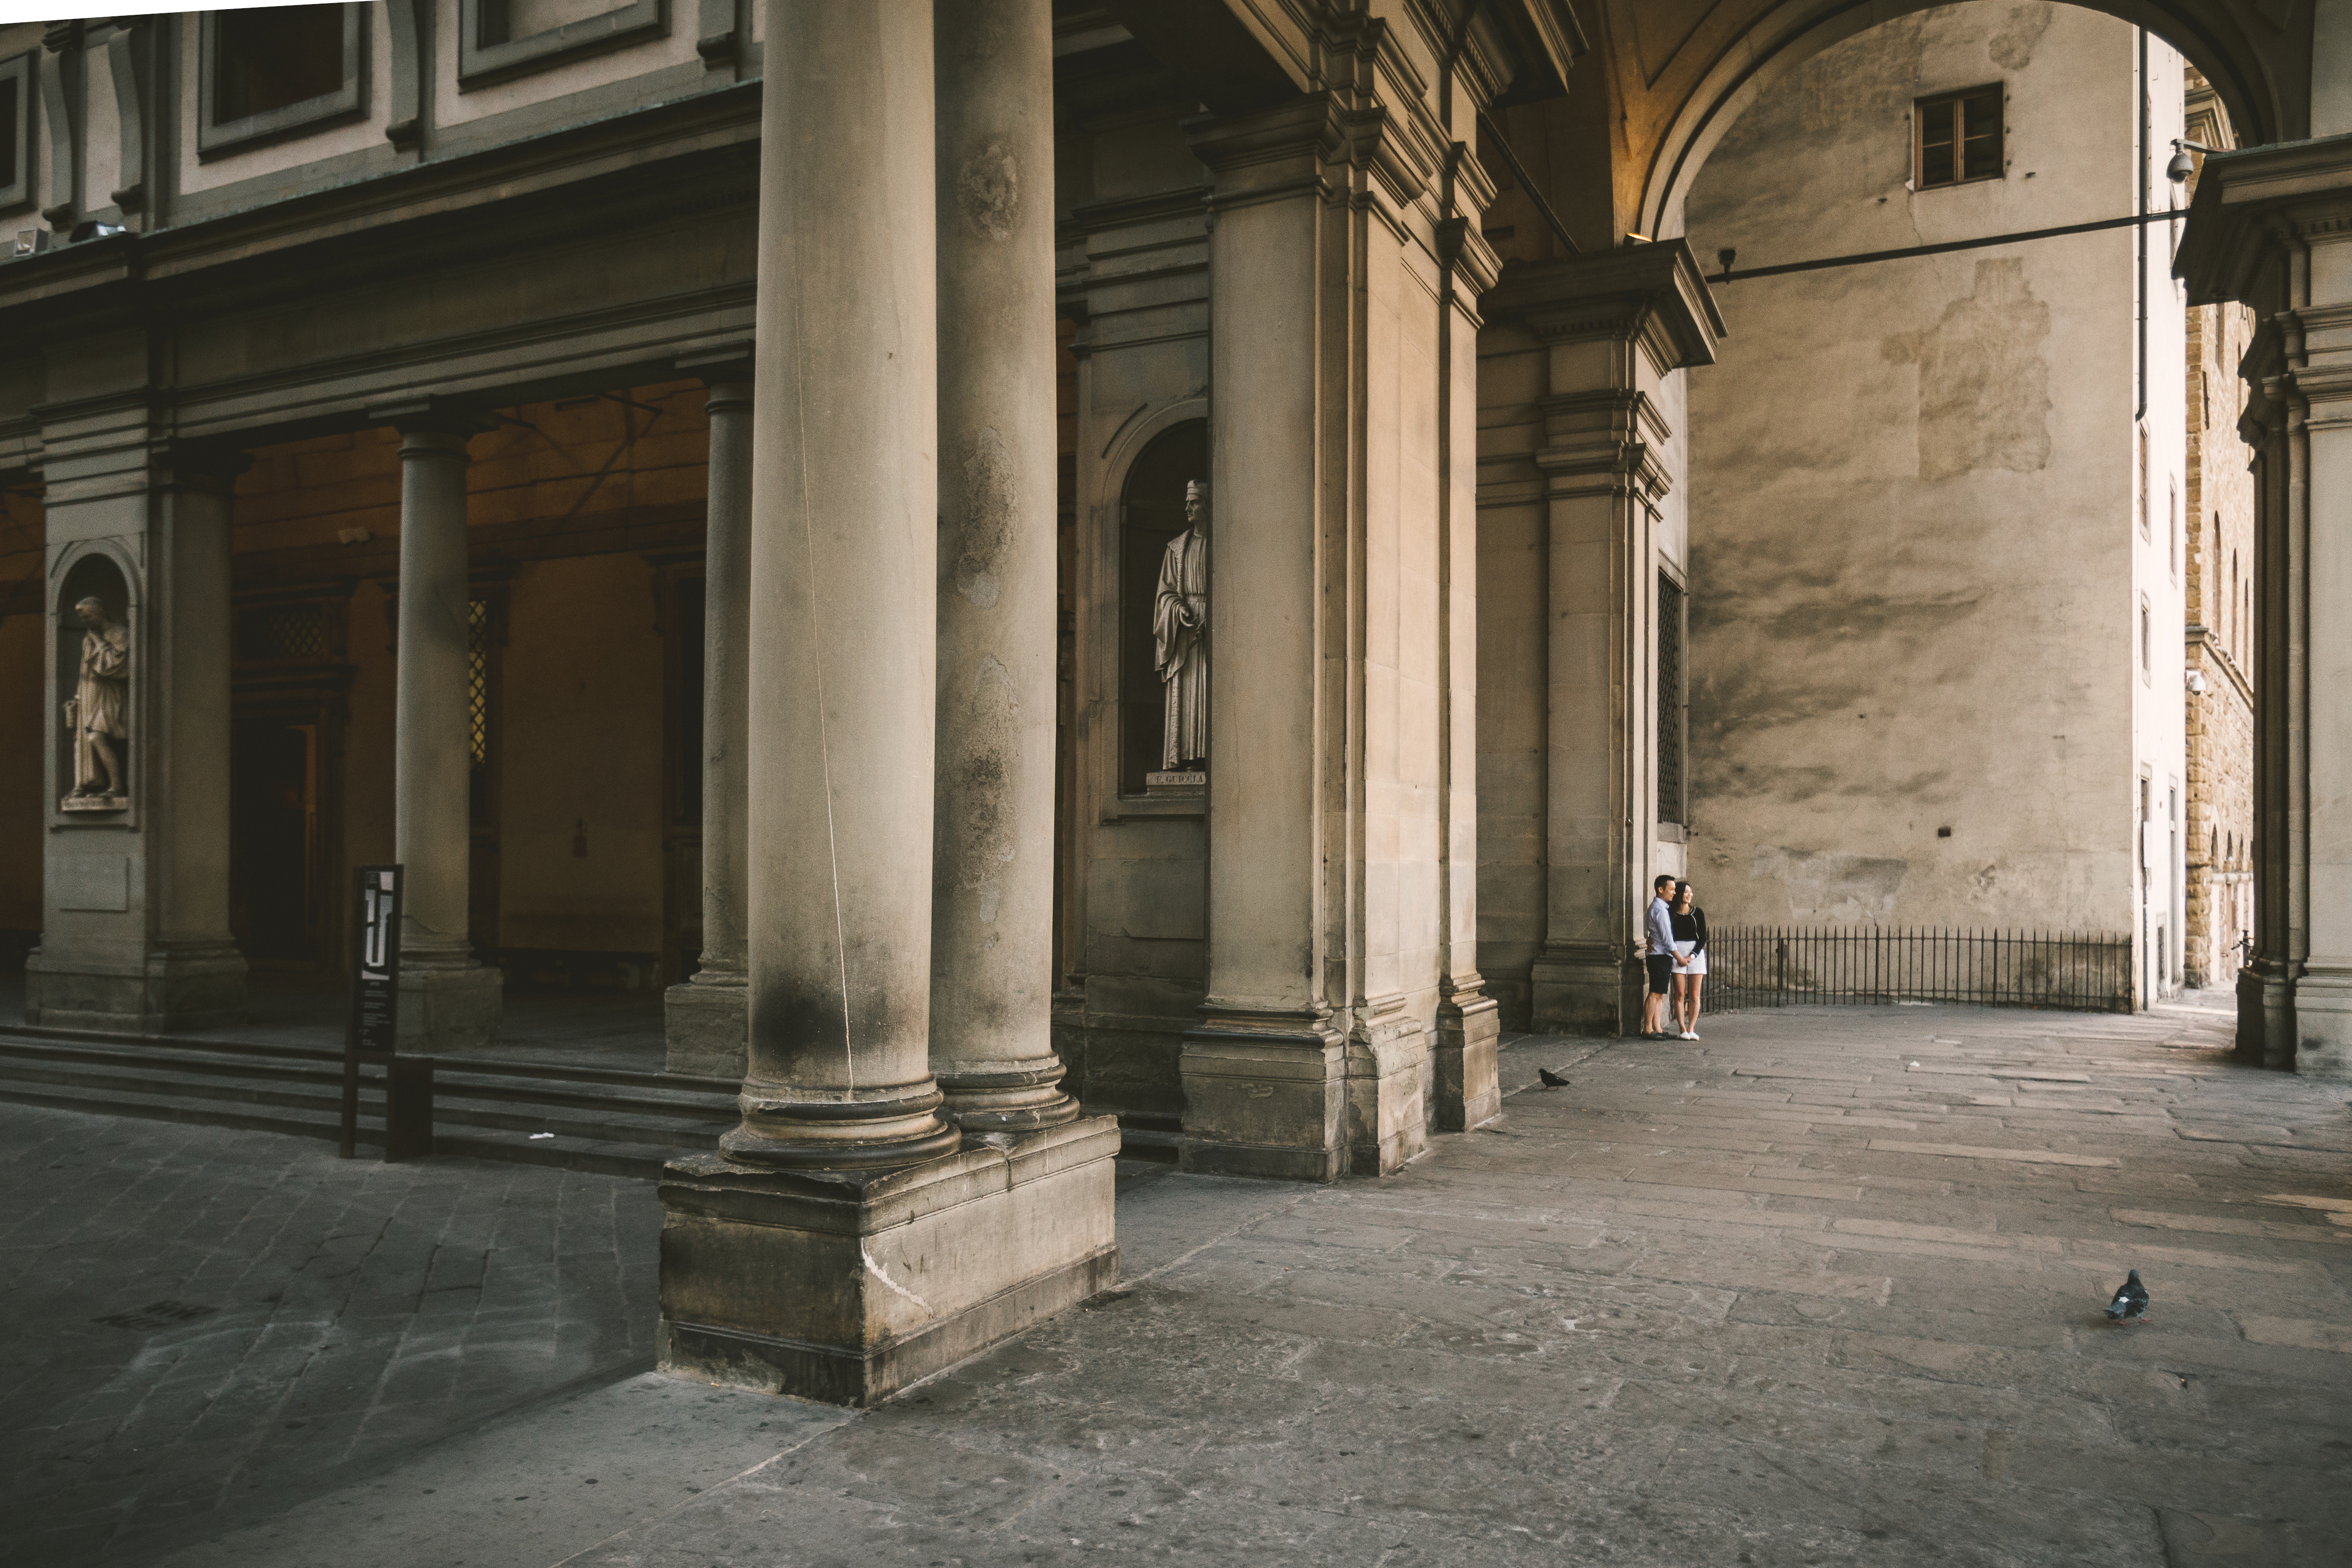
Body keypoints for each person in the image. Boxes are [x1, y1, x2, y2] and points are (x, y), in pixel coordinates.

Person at [1670, 879, 1709, 1040]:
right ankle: (1682, 1028)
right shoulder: (1671, 913)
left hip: (1695, 954)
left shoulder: (1697, 913)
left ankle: (1692, 1028)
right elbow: (1668, 936)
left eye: (1691, 892)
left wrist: (1692, 956)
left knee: (1695, 994)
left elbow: (1703, 938)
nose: (1689, 894)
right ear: (1679, 894)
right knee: (1679, 993)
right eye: (1686, 892)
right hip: (1677, 952)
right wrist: (1679, 956)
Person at [1641, 873, 1677, 1038]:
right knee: (1655, 992)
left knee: (1660, 993)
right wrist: (1680, 958)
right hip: (1659, 955)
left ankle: (1658, 1028)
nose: (1674, 893)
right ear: (1661, 889)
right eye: (1671, 889)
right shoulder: (1659, 910)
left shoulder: (1661, 908)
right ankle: (1648, 1029)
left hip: (1660, 955)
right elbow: (1667, 939)